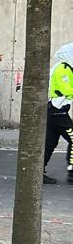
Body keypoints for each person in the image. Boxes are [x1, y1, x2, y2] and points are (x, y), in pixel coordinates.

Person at [43, 42, 73, 184]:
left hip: (55, 112)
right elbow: (67, 89)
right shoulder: (63, 68)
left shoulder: (66, 68)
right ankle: (72, 172)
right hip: (58, 112)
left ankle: (38, 171)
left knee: (50, 143)